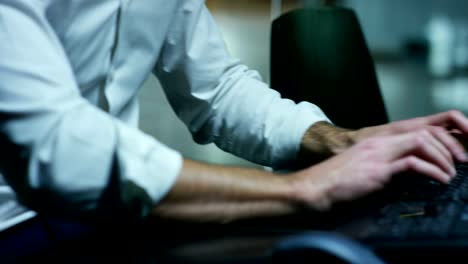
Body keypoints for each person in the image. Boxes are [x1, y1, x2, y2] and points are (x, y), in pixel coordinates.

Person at [0, 0, 467, 261]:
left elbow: (215, 88)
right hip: (14, 225)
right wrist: (305, 188)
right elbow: (57, 147)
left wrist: (341, 140)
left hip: (114, 214)